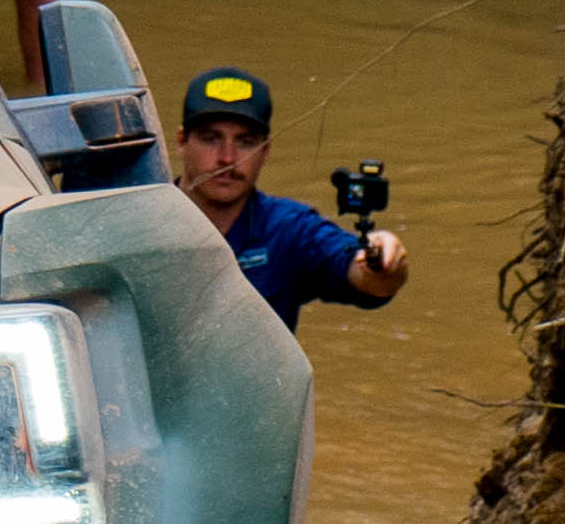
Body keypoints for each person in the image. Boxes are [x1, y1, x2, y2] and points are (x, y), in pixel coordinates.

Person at [174, 69, 409, 333]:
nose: (227, 158)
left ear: (265, 151)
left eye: (245, 142)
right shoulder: (142, 219)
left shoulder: (288, 229)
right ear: (182, 141)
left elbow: (362, 276)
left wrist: (384, 265)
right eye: (211, 139)